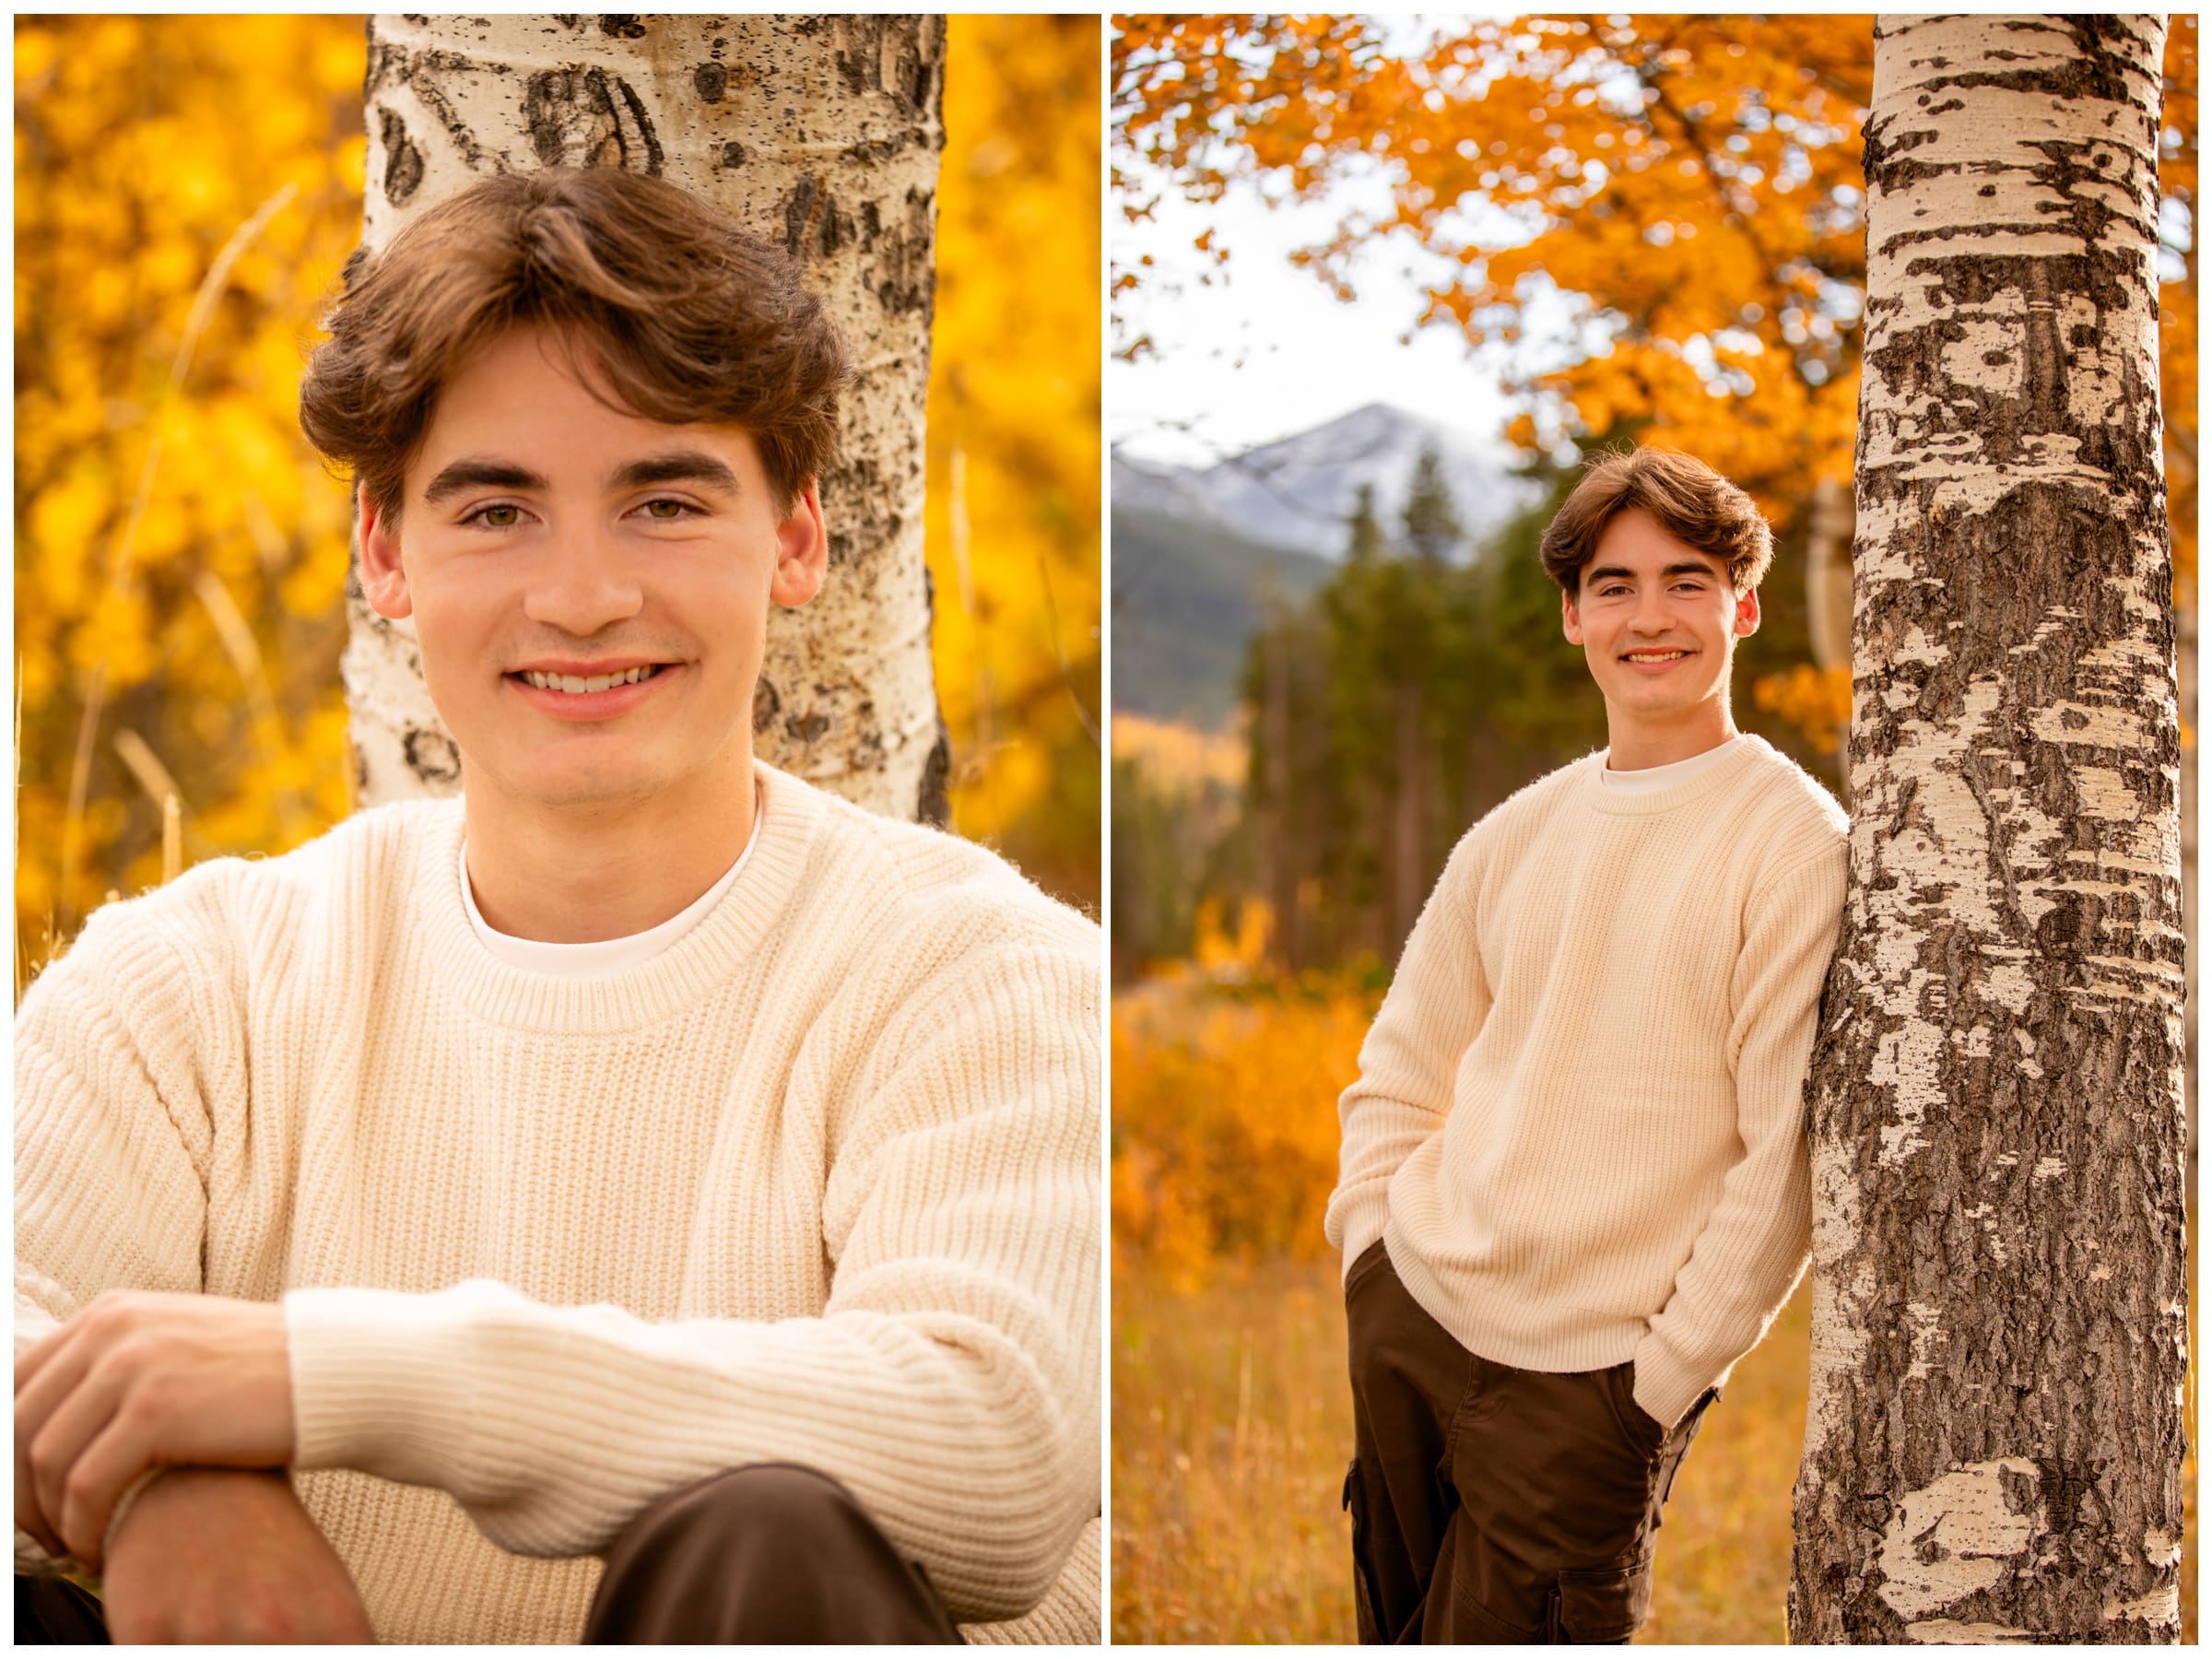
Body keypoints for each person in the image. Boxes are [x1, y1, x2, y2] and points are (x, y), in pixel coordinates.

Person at [14, 166, 1100, 1645]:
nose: (582, 596)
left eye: (662, 501)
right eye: (497, 509)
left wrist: (322, 1383)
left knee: (765, 1527)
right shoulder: (187, 990)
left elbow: (996, 1458)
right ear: (385, 554)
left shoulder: (981, 974)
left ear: (794, 538)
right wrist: (167, 1486)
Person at [1325, 447, 1847, 1643]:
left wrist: (1657, 1388)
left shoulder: (1793, 845)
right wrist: (1369, 1251)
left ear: (1743, 605)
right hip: (1414, 1323)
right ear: (1573, 616)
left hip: (1592, 1388)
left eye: (1686, 580)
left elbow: (1784, 1161)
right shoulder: (1518, 833)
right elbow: (1400, 1064)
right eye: (1614, 585)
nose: (1649, 616)